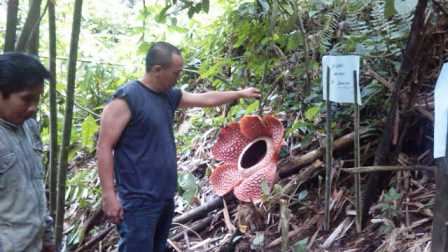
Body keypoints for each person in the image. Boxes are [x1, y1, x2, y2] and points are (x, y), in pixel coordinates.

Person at [97, 41, 260, 251]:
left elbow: (206, 99)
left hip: (164, 196)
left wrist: (239, 93)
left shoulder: (169, 96)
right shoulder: (127, 99)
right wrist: (109, 195)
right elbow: (104, 147)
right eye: (176, 73)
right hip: (138, 199)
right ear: (157, 70)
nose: (178, 78)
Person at [0, 53, 55, 252]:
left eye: (38, 98)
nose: (33, 107)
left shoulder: (29, 127)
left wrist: (47, 240)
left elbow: (35, 185)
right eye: (26, 99)